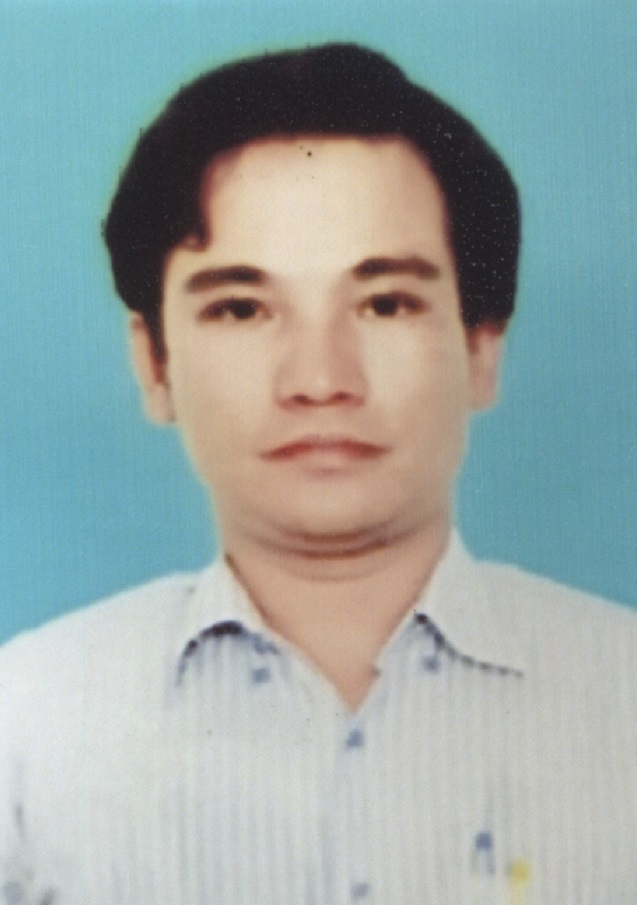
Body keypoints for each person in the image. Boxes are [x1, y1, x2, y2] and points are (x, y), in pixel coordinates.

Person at [1, 42, 635, 905]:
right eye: (240, 308)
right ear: (153, 363)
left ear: (481, 346)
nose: (320, 378)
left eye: (384, 302)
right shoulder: (27, 725)